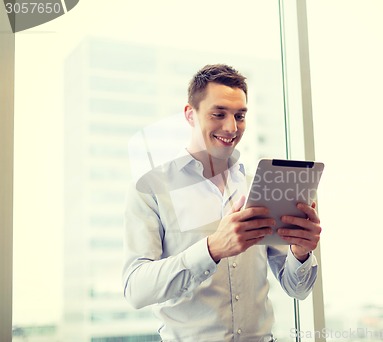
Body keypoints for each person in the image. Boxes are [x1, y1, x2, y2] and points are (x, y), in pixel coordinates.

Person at [122, 64, 322, 342]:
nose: (231, 127)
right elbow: (135, 289)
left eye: (240, 116)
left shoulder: (257, 186)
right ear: (190, 115)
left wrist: (300, 252)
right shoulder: (151, 188)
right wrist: (212, 248)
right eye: (218, 114)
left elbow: (296, 289)